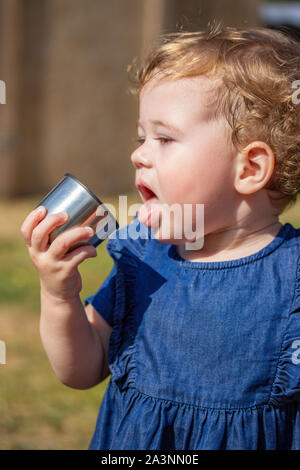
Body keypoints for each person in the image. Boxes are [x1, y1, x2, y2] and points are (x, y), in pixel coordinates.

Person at [21, 24, 300, 450]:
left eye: (165, 138)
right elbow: (81, 370)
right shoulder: (143, 258)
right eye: (141, 137)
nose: (138, 154)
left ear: (249, 169)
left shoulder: (293, 276)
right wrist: (59, 295)